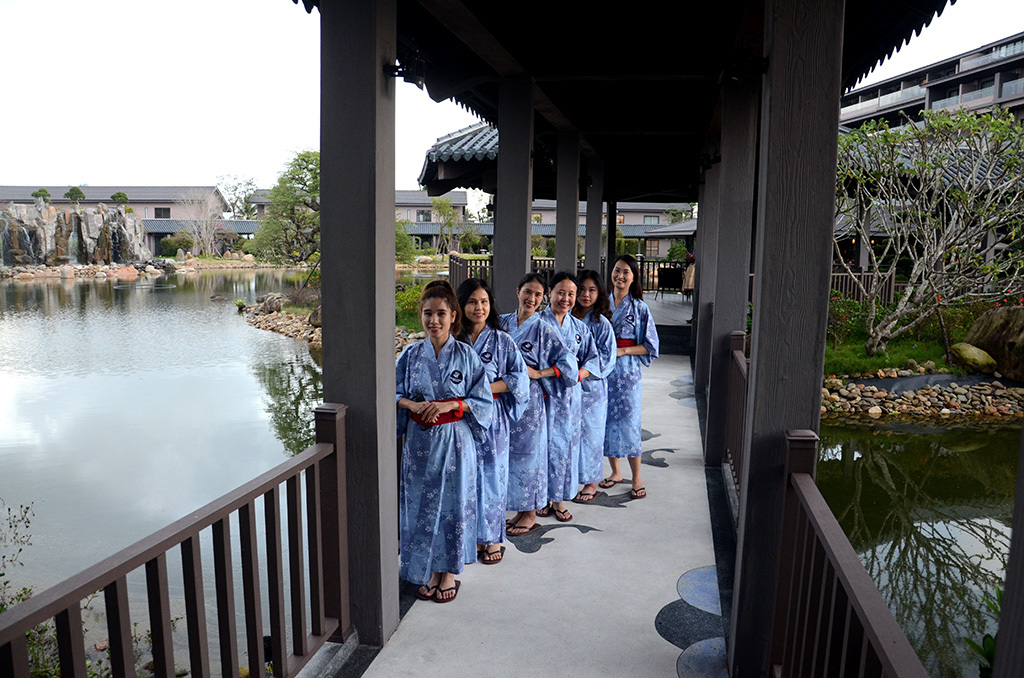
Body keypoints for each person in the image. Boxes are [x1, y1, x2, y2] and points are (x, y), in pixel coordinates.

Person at [395, 280, 493, 603]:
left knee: (451, 508)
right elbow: (392, 393)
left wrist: (451, 404)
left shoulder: (466, 356)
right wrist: (411, 405)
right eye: (427, 313)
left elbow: (483, 401)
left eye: (440, 313)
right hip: (419, 445)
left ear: (453, 315)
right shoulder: (409, 356)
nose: (433, 321)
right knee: (421, 507)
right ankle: (427, 570)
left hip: (454, 443)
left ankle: (447, 573)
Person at [456, 278, 529, 564]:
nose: (479, 307)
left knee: (493, 478)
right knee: (466, 479)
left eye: (484, 302)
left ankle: (494, 538)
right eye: (473, 301)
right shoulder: (453, 340)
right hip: (461, 420)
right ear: (461, 305)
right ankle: (472, 537)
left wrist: (482, 391)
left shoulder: (503, 340)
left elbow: (518, 379)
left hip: (493, 419)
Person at [499, 273, 577, 535]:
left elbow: (568, 364)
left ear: (543, 298)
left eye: (538, 295)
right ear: (518, 291)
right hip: (503, 399)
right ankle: (520, 509)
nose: (531, 298)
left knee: (530, 456)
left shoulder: (544, 328)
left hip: (530, 403)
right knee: (509, 454)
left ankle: (531, 512)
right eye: (528, 292)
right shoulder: (502, 323)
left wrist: (540, 373)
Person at [538, 271, 599, 521]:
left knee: (564, 447)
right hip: (541, 394)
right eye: (560, 292)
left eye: (571, 294)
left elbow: (593, 358)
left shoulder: (579, 328)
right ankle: (539, 497)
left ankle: (559, 499)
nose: (566, 298)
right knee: (540, 446)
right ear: (549, 293)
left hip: (570, 397)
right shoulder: (536, 323)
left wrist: (579, 375)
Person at [601, 255, 660, 499]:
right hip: (603, 370)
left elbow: (651, 345)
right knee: (604, 420)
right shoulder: (602, 304)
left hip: (627, 374)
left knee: (629, 422)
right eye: (617, 271)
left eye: (626, 272)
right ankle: (615, 472)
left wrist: (623, 350)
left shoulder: (639, 308)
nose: (620, 276)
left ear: (633, 277)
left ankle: (636, 476)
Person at [570, 269, 617, 503]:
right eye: (581, 289)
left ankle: (591, 482)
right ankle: (568, 480)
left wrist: (583, 371)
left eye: (592, 290)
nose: (586, 295)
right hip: (567, 385)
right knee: (568, 434)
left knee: (591, 434)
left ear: (599, 293)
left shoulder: (602, 324)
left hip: (591, 388)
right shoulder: (567, 318)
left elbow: (607, 359)